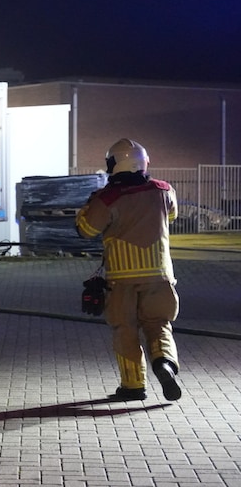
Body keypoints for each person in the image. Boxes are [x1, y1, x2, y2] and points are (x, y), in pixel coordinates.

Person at [76, 138, 183, 402]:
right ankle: (165, 364)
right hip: (160, 276)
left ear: (113, 164)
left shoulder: (107, 198)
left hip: (122, 279)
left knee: (125, 329)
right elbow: (171, 216)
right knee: (159, 324)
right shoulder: (163, 190)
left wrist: (88, 207)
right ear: (144, 162)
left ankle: (134, 386)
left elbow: (86, 229)